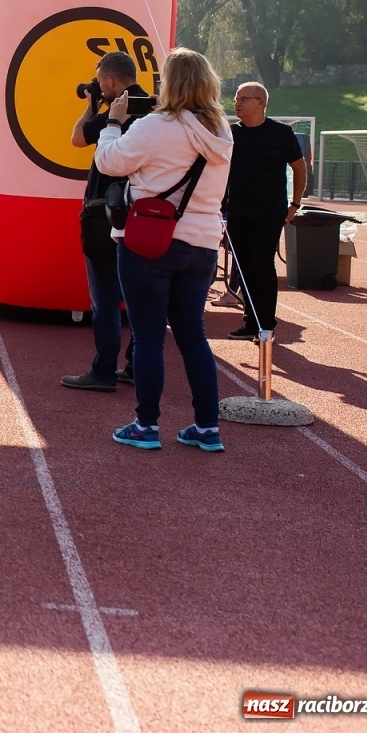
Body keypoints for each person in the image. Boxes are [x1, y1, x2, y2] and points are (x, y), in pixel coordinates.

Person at [95, 48, 233, 453]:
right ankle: (207, 426)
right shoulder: (222, 130)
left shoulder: (155, 125)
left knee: (148, 337)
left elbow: (108, 162)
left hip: (149, 241)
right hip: (202, 242)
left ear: (169, 83)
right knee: (193, 335)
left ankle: (146, 424)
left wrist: (113, 123)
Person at [62, 51, 149, 392]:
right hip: (144, 213)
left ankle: (103, 371)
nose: (98, 86)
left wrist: (92, 105)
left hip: (104, 212)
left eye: (100, 81)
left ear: (110, 80)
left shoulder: (115, 112)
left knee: (105, 297)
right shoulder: (154, 110)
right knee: (141, 297)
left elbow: (77, 138)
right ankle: (137, 364)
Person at [224, 82, 308, 340]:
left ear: (260, 102)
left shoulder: (281, 132)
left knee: (262, 264)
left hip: (270, 212)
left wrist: (295, 204)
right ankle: (250, 322)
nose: (237, 103)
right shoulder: (230, 134)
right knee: (244, 267)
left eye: (243, 99)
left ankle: (266, 325)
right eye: (236, 99)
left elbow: (299, 167)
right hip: (237, 211)